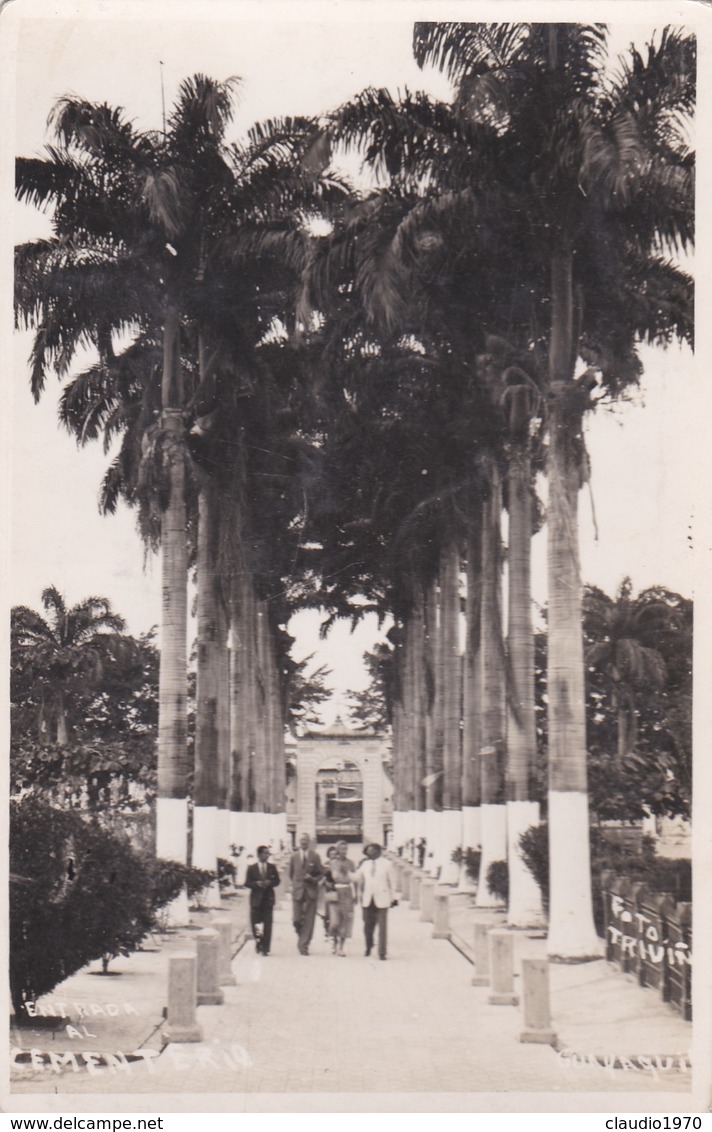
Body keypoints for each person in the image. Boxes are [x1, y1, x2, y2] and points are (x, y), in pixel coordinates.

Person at [356, 842, 396, 960]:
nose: (369, 853)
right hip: (368, 899)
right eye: (368, 851)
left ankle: (382, 952)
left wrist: (393, 898)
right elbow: (357, 877)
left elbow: (392, 882)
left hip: (382, 898)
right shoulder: (365, 864)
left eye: (371, 851)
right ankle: (368, 946)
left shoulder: (387, 864)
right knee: (367, 926)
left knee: (382, 928)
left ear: (378, 851)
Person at [288, 833, 323, 955]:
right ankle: (302, 936)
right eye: (301, 840)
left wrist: (312, 879)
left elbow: (321, 873)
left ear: (309, 842)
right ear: (299, 841)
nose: (303, 842)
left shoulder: (315, 856)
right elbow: (291, 874)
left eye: (305, 840)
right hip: (298, 891)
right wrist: (297, 884)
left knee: (309, 919)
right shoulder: (294, 857)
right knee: (296, 920)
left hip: (311, 891)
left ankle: (304, 945)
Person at [244, 846, 280, 956]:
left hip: (268, 900)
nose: (267, 855)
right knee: (256, 924)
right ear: (259, 854)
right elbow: (247, 883)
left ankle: (266, 948)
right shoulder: (252, 868)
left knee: (268, 925)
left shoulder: (272, 867)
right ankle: (259, 942)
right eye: (265, 853)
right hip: (256, 900)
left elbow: (277, 881)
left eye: (268, 853)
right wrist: (256, 884)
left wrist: (270, 882)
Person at [328, 840, 356, 956]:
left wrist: (356, 894)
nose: (344, 852)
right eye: (342, 849)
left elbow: (355, 878)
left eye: (346, 849)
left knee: (346, 920)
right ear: (337, 850)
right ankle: (334, 941)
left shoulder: (351, 863)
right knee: (335, 921)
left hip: (347, 892)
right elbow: (330, 878)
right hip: (336, 892)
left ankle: (341, 947)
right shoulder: (333, 863)